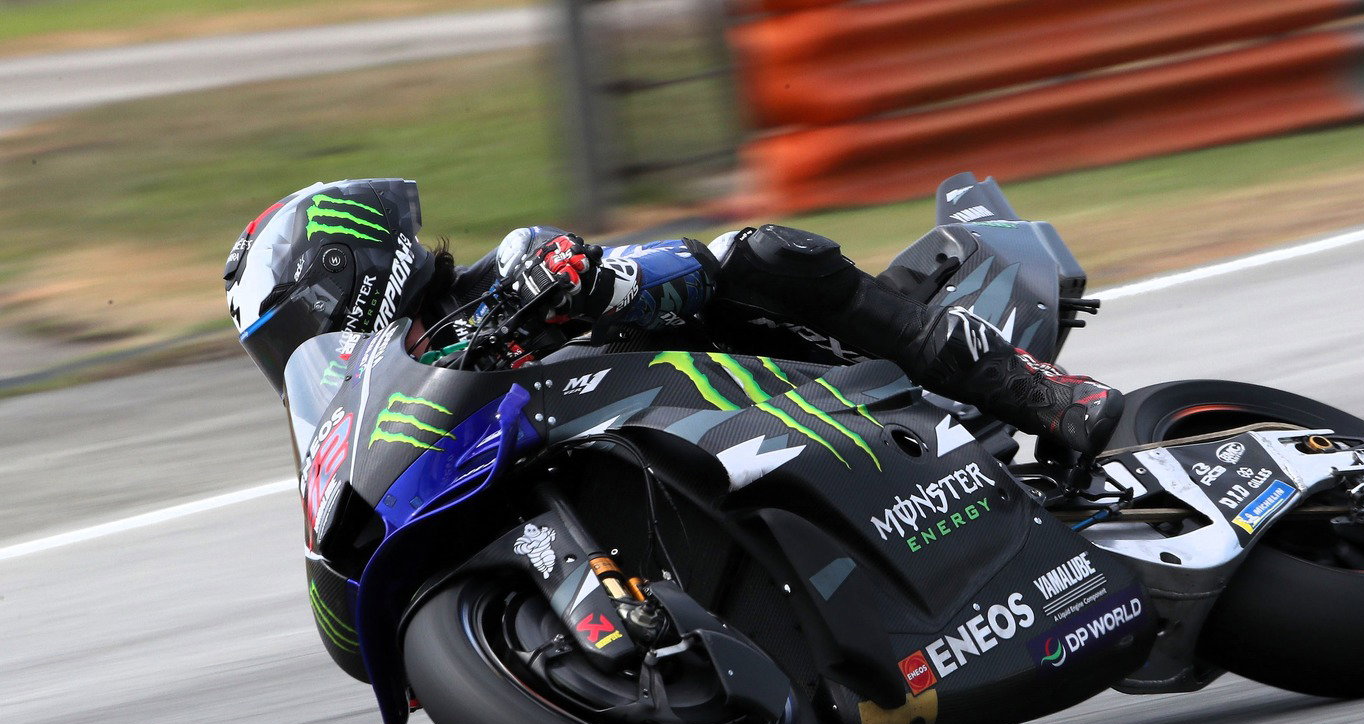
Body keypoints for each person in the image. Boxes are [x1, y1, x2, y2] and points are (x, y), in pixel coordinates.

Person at [225, 178, 1122, 468]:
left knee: (757, 253)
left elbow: (685, 268)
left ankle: (1040, 393)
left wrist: (594, 283)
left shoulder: (510, 272)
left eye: (294, 326)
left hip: (778, 380)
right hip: (687, 465)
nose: (296, 352)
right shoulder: (401, 416)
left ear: (346, 273)